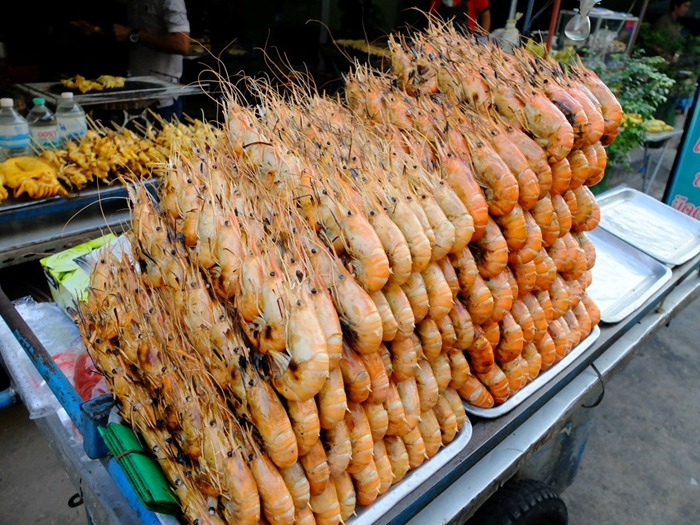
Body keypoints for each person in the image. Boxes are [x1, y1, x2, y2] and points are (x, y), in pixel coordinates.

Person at [112, 0, 191, 122]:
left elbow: (182, 44)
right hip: (135, 95)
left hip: (163, 100)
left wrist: (135, 34)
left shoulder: (171, 1)